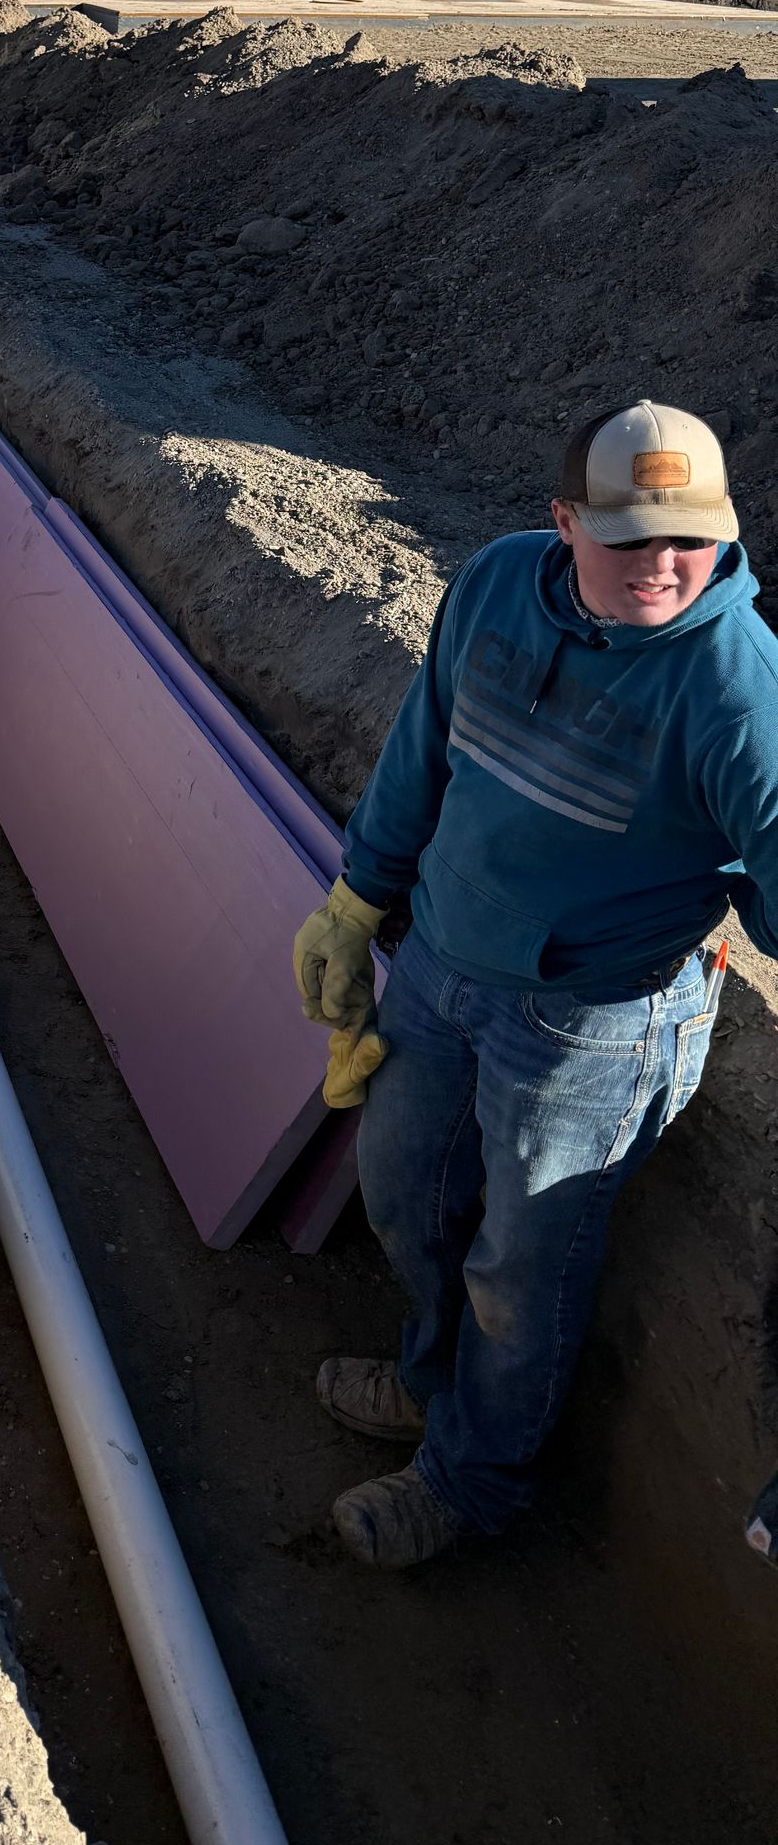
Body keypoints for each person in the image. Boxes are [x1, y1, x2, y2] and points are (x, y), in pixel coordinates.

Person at [292, 399, 778, 1569]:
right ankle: (430, 1384)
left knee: (523, 1267)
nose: (664, 565)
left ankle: (474, 1480)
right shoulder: (498, 586)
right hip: (446, 963)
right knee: (403, 1186)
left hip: (590, 1024)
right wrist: (358, 903)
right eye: (628, 538)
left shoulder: (735, 684)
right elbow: (423, 748)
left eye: (689, 538)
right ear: (564, 522)